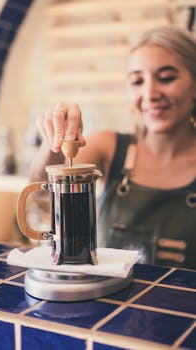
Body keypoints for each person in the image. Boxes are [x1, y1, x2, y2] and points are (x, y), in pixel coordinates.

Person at [29, 26, 196, 269]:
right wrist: (55, 140)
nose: (149, 93)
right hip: (108, 303)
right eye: (137, 81)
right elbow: (39, 187)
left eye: (166, 78)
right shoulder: (110, 147)